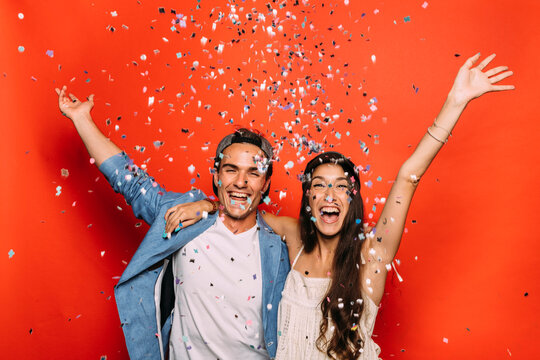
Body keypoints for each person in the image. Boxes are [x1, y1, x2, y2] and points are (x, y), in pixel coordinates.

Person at [165, 53, 514, 359]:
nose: (329, 194)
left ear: (352, 198)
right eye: (319, 186)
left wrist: (455, 102)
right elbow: (241, 203)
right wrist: (207, 206)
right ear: (309, 200)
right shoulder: (293, 239)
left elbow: (408, 176)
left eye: (340, 187)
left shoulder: (371, 257)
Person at [56, 86, 290, 360]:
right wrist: (82, 119)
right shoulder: (186, 217)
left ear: (266, 184)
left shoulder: (282, 245)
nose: (241, 182)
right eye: (231, 170)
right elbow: (132, 183)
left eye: (253, 173)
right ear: (216, 176)